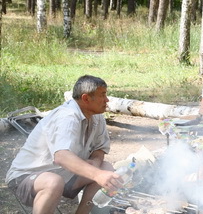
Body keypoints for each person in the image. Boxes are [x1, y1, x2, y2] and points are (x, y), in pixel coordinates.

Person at [5, 75, 120, 214]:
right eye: (103, 95)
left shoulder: (96, 116)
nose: (107, 100)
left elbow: (100, 148)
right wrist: (96, 174)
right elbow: (61, 157)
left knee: (106, 169)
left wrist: (96, 164)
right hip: (25, 177)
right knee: (54, 182)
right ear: (86, 98)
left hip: (64, 175)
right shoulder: (67, 116)